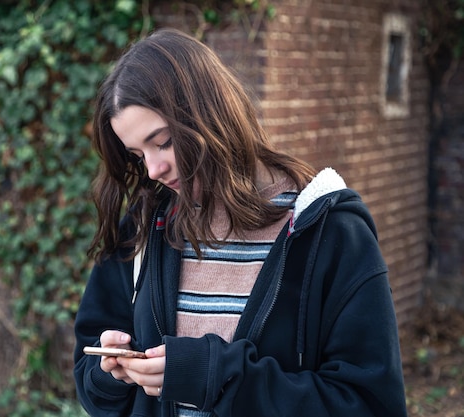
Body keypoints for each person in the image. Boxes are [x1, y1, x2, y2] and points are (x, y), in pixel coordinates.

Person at [73, 28, 408, 417]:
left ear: (209, 113)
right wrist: (108, 373)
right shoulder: (146, 225)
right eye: (137, 154)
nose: (153, 170)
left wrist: (215, 376)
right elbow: (89, 380)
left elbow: (369, 404)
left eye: (163, 142)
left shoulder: (329, 232)